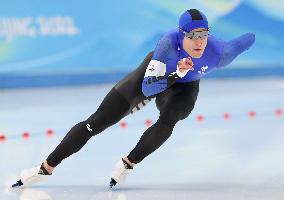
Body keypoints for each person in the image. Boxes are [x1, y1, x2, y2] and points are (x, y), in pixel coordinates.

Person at [12, 9, 255, 188]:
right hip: (155, 76)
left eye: (204, 34)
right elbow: (149, 89)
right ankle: (46, 168)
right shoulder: (168, 44)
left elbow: (247, 40)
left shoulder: (220, 53)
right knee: (98, 121)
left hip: (184, 87)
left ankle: (128, 163)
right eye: (193, 35)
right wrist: (176, 72)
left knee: (170, 119)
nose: (200, 41)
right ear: (182, 35)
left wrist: (182, 75)